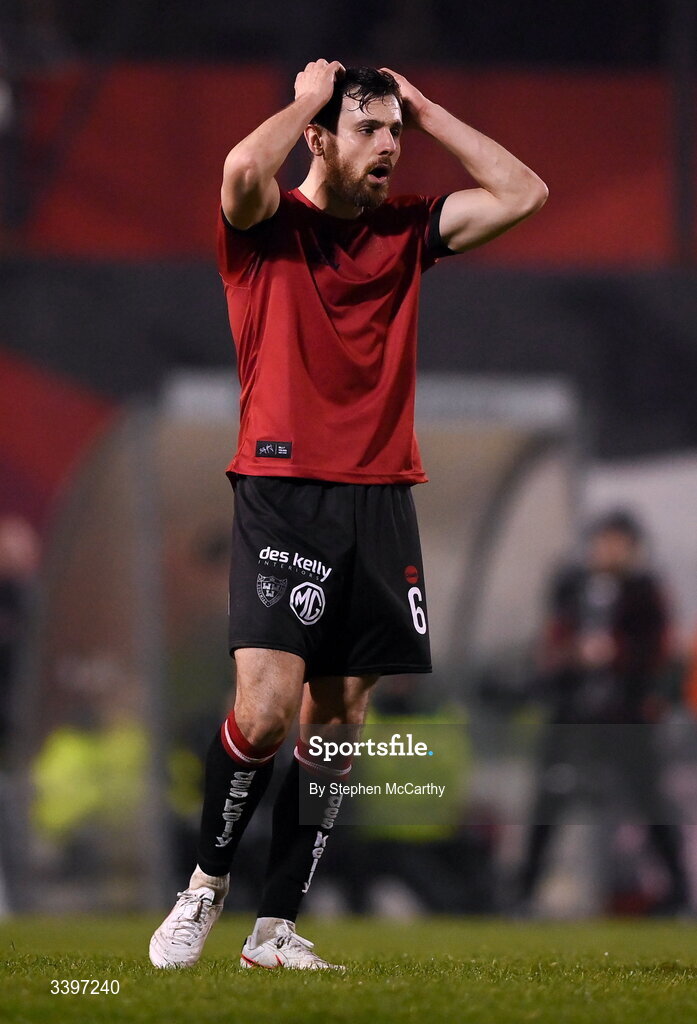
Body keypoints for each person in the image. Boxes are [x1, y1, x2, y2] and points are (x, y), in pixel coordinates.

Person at [149, 60, 547, 970]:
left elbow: (523, 192)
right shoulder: (267, 227)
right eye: (370, 130)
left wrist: (430, 108)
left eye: (395, 135)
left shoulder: (409, 231)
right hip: (282, 490)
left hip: (381, 498)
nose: (389, 148)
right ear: (321, 137)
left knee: (338, 721)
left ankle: (273, 928)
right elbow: (241, 174)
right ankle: (203, 891)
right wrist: (303, 99)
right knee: (263, 708)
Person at [516, 510, 689, 914]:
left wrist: (619, 654)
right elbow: (552, 642)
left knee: (651, 804)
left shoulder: (645, 591)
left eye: (617, 542)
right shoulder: (571, 586)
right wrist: (571, 656)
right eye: (603, 541)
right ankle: (524, 893)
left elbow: (660, 651)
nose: (608, 550)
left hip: (626, 717)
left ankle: (678, 893)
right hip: (572, 715)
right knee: (549, 801)